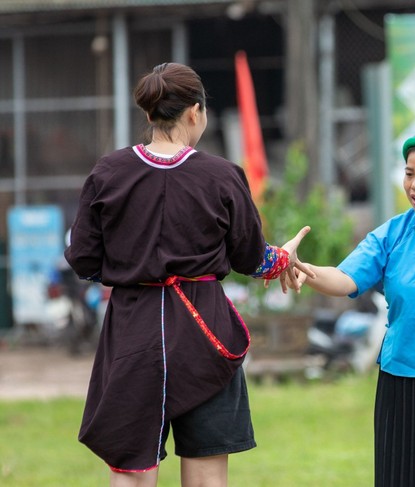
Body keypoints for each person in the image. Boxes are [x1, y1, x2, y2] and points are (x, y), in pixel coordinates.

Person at [64, 62, 312, 487]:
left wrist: (132, 267)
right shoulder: (222, 176)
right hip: (205, 333)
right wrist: (282, 260)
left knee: (132, 470)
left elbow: (84, 259)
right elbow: (249, 258)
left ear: (149, 114)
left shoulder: (108, 172)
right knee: (206, 475)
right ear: (196, 111)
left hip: (132, 330)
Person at [285, 130, 415, 487]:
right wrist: (300, 267)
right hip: (403, 385)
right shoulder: (392, 234)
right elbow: (345, 278)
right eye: (409, 173)